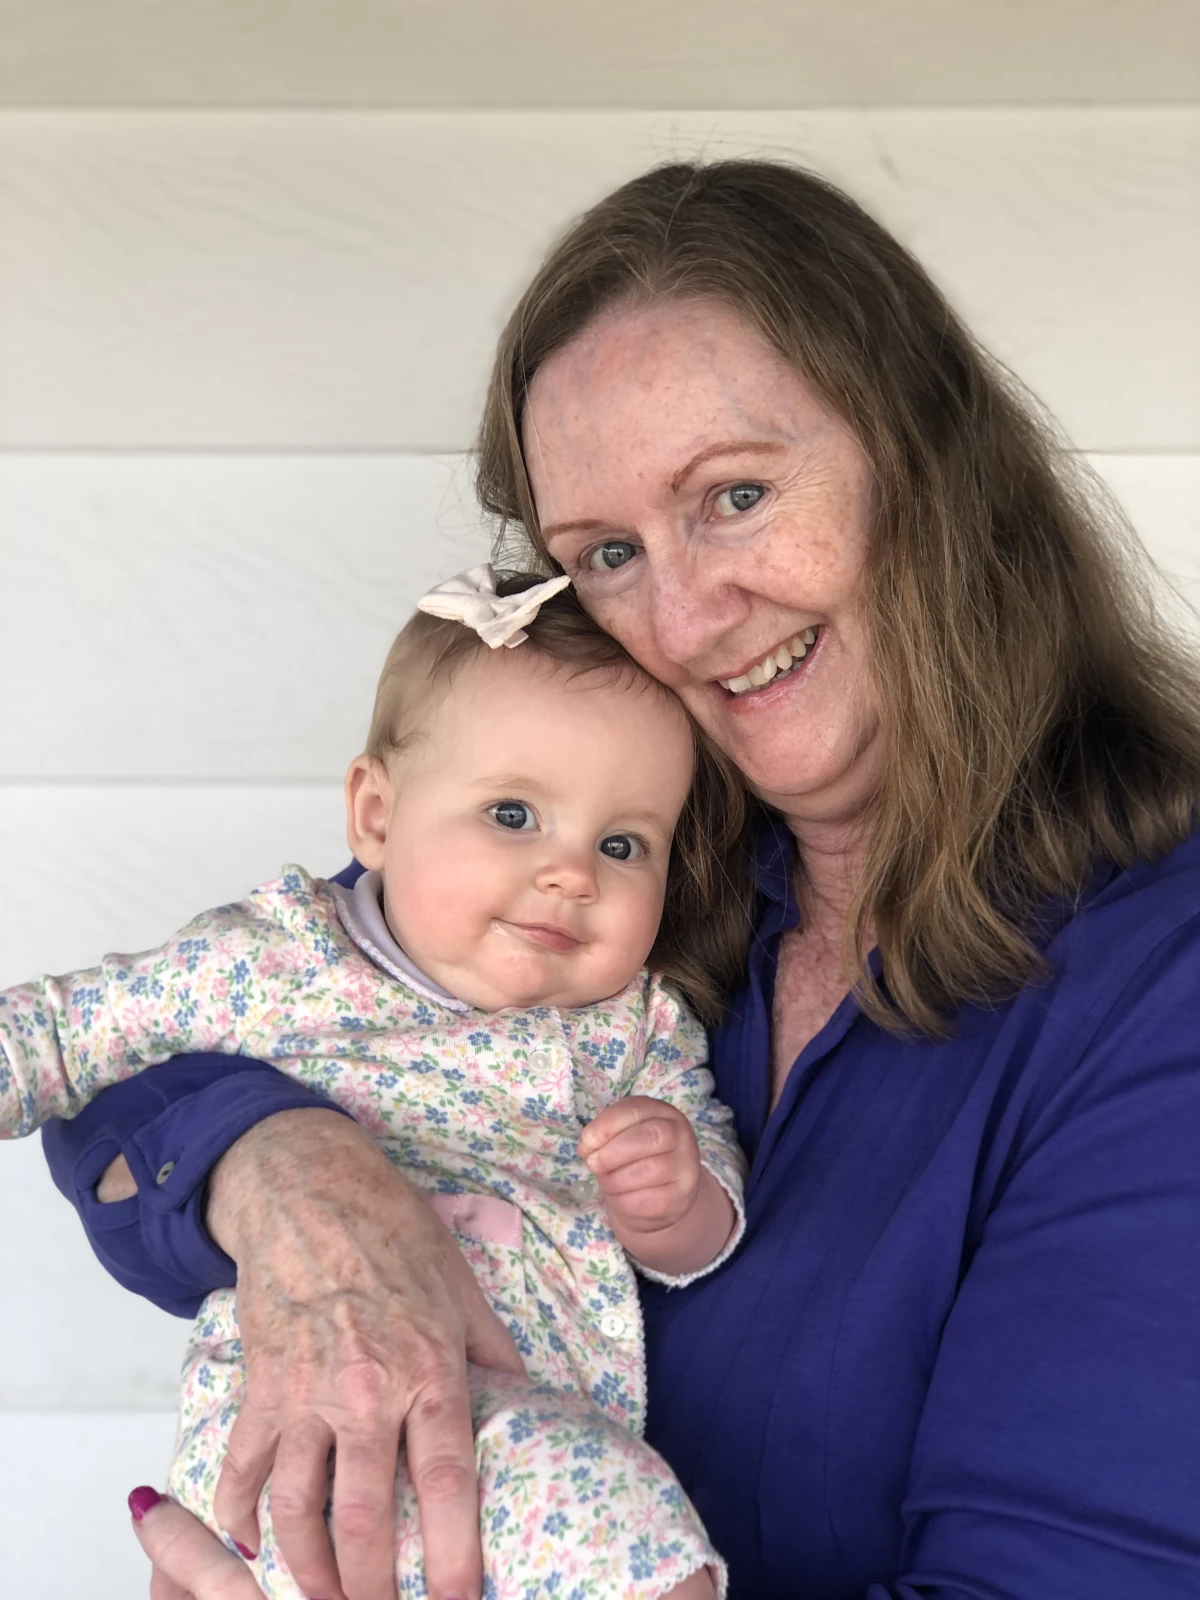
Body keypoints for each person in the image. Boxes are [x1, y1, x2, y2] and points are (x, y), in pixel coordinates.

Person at [43, 158, 1200, 1600]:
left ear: (929, 466)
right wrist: (292, 1172)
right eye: (607, 552)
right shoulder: (605, 867)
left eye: (736, 495)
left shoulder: (1159, 977)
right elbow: (160, 1053)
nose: (686, 617)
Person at [7, 572, 759, 1598]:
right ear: (376, 813)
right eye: (513, 813)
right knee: (639, 1537)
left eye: (622, 844)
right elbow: (60, 1036)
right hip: (298, 1438)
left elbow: (705, 1201)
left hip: (523, 1462)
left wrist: (674, 1202)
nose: (573, 873)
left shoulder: (631, 1026)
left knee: (643, 1546)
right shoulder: (276, 960)